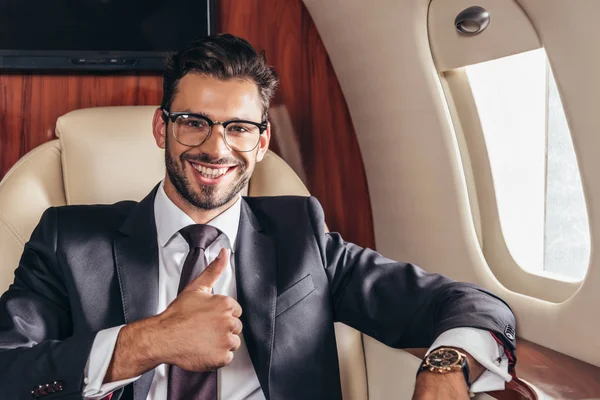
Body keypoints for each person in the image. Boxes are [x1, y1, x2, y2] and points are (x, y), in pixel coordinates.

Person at [0, 34, 516, 400]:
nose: (216, 147)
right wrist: (147, 342)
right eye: (193, 123)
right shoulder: (67, 239)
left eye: (239, 128)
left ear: (263, 141)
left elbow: (469, 304)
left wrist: (444, 367)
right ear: (162, 128)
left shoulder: (303, 238)